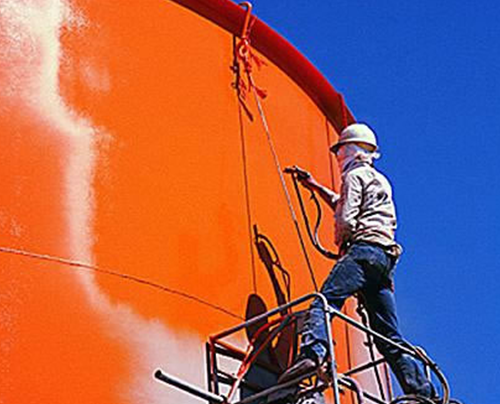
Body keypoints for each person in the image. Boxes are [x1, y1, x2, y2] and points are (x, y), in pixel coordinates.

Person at [279, 123, 435, 398]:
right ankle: (423, 393)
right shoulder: (380, 180)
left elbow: (347, 217)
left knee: (325, 302)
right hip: (384, 261)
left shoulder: (353, 177)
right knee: (388, 335)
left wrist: (342, 245)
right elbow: (349, 203)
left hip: (362, 252)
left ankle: (314, 355)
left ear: (349, 150)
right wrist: (315, 186)